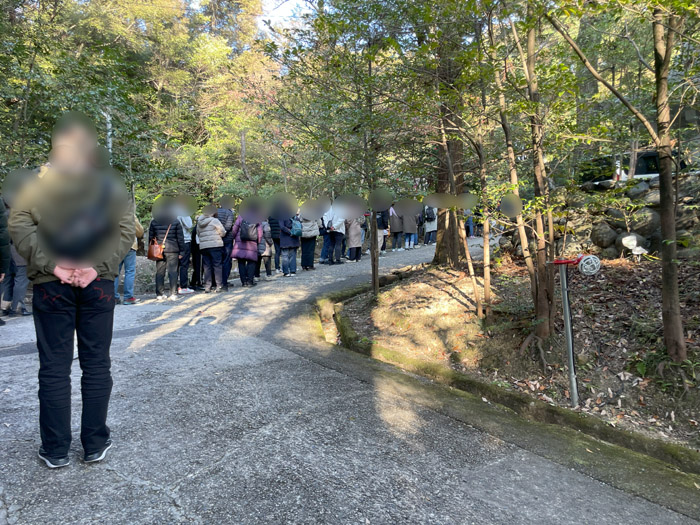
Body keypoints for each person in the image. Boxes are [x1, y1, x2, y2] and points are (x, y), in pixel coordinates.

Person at [9, 111, 135, 468]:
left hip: (51, 286)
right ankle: (94, 442)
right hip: (98, 284)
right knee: (96, 363)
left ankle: (55, 449)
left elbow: (20, 228)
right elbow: (125, 230)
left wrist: (56, 266)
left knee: (53, 367)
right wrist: (96, 267)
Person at [149, 207, 185, 301]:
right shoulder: (175, 221)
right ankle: (173, 293)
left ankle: (159, 294)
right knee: (173, 272)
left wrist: (153, 249)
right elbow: (180, 238)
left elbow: (151, 238)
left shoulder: (154, 222)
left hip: (159, 250)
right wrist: (182, 251)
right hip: (173, 249)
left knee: (160, 272)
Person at [114, 214, 143, 305]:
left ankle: (113, 297)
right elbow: (140, 232)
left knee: (115, 272)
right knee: (129, 271)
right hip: (129, 246)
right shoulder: (130, 215)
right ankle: (128, 297)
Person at [196, 206, 225, 293]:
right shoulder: (215, 220)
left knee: (207, 266)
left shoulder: (199, 222)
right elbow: (222, 232)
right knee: (217, 265)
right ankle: (219, 285)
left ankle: (207, 286)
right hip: (215, 245)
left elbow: (198, 233)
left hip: (204, 246)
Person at [231, 213, 262, 287]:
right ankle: (250, 281)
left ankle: (244, 282)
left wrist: (234, 238)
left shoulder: (241, 216)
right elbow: (260, 232)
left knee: (241, 262)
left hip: (240, 241)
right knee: (252, 262)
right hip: (252, 242)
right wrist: (258, 241)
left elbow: (235, 229)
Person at [216, 200, 234, 291]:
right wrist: (223, 233)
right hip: (227, 239)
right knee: (227, 261)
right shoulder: (229, 213)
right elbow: (228, 226)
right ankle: (224, 282)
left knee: (217, 261)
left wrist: (217, 234)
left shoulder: (215, 211)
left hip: (216, 240)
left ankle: (217, 283)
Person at [176, 205, 194, 295]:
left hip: (172, 242)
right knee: (184, 264)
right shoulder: (183, 211)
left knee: (174, 265)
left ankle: (173, 286)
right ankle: (183, 286)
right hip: (184, 240)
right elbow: (189, 225)